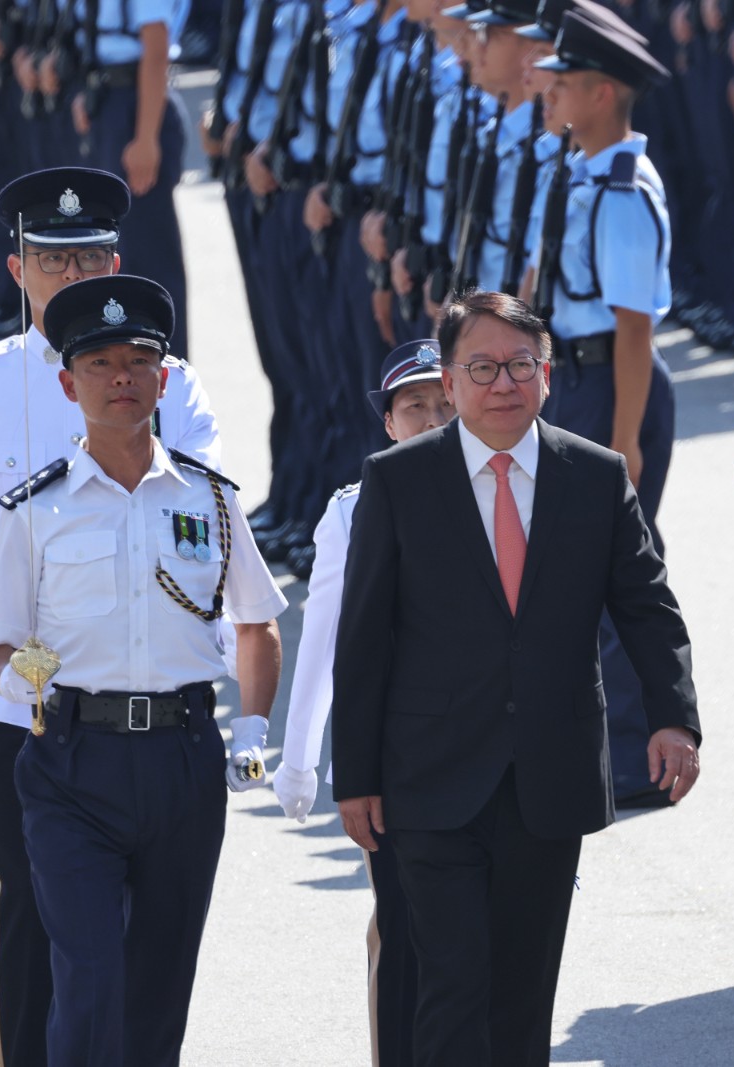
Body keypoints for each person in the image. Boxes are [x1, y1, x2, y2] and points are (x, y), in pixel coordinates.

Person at [330, 289, 702, 1067]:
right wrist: (355, 776)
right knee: (452, 984)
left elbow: (646, 606)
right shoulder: (398, 480)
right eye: (483, 367)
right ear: (451, 380)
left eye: (520, 365)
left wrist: (673, 717)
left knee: (522, 995)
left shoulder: (594, 476)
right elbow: (362, 640)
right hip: (429, 776)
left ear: (547, 374)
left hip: (548, 775)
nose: (504, 383)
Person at [0, 166, 221, 1067]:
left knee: (138, 914)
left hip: (135, 680)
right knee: (33, 897)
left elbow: (205, 526)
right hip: (18, 690)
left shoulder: (169, 385)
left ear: (115, 262)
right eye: (52, 259)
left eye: (88, 257)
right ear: (18, 269)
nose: (71, 274)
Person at [0, 274, 286, 1066]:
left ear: (164, 379)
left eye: (139, 361)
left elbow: (257, 622)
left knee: (158, 988)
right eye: (101, 363)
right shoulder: (35, 510)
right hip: (74, 763)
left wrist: (252, 731)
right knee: (88, 978)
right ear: (68, 384)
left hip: (183, 760)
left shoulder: (209, 499)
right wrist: (36, 678)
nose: (122, 377)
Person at [271, 338, 455, 1067]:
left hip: (491, 748)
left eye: (444, 403)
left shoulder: (512, 492)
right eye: (415, 406)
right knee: (404, 932)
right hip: (401, 759)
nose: (433, 418)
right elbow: (322, 640)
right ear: (388, 423)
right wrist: (298, 760)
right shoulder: (355, 511)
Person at [531, 12, 681, 804]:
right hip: (576, 379)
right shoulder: (581, 169)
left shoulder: (623, 190)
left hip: (615, 384)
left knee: (614, 568)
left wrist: (625, 440)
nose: (547, 90)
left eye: (562, 82)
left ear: (600, 93)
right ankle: (601, 736)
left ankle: (636, 751)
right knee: (575, 565)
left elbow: (632, 325)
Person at [73, 0, 192, 356]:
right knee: (117, 251)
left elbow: (156, 49)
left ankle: (168, 366)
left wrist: (146, 138)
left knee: (149, 260)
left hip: (138, 111)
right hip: (111, 100)